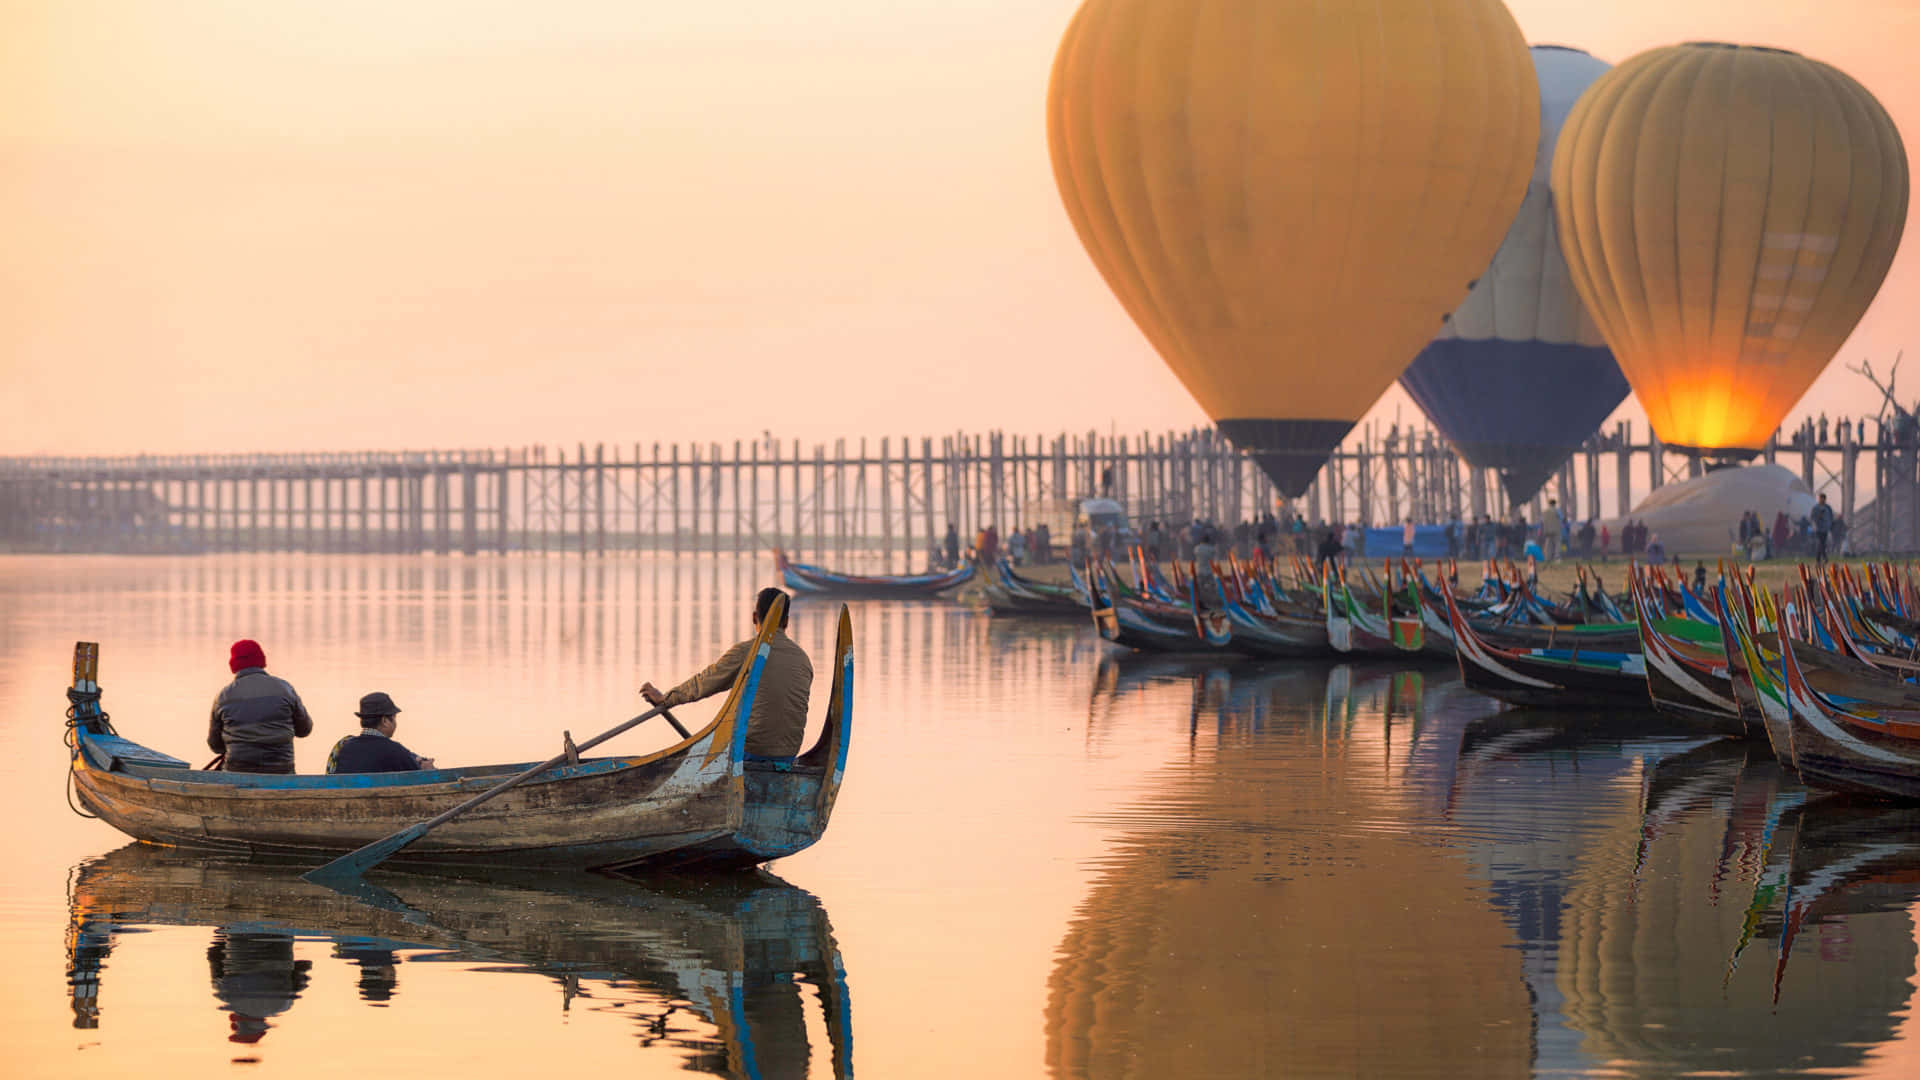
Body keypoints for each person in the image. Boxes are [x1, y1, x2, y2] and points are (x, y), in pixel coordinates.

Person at [643, 587, 813, 761]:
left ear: (755, 617)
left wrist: (666, 699)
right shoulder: (803, 659)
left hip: (748, 752)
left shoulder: (746, 652)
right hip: (788, 755)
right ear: (786, 622)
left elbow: (704, 683)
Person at [208, 639, 312, 774]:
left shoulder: (223, 697)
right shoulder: (285, 689)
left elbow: (215, 745)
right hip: (282, 770)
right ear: (262, 661)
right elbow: (304, 730)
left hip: (237, 771)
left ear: (233, 664)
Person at [326, 692, 433, 774]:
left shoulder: (343, 746)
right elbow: (418, 775)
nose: (396, 723)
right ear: (385, 721)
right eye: (394, 718)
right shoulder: (395, 750)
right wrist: (427, 769)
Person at [1811, 493, 1835, 562]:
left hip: (1825, 529)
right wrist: (1818, 517)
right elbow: (1813, 518)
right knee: (1821, 543)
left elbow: (1831, 517)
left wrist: (1831, 526)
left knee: (1823, 543)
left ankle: (1818, 558)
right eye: (1820, 498)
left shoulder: (1828, 508)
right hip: (1818, 528)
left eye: (1823, 499)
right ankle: (1824, 557)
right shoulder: (1816, 508)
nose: (1822, 500)